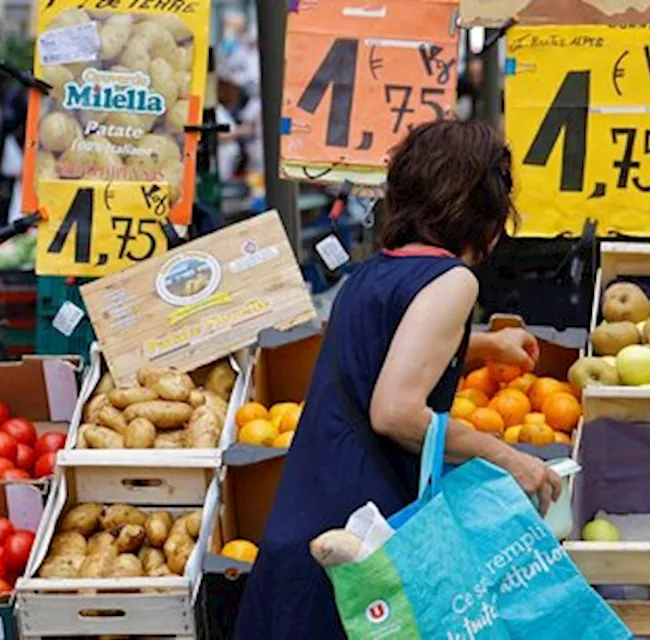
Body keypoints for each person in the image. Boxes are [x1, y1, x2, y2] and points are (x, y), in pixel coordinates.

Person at [234, 120, 563, 640]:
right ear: (485, 203)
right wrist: (508, 456)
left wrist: (483, 346)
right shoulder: (453, 280)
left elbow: (379, 351)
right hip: (363, 548)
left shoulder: (371, 273)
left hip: (306, 521)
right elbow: (394, 411)